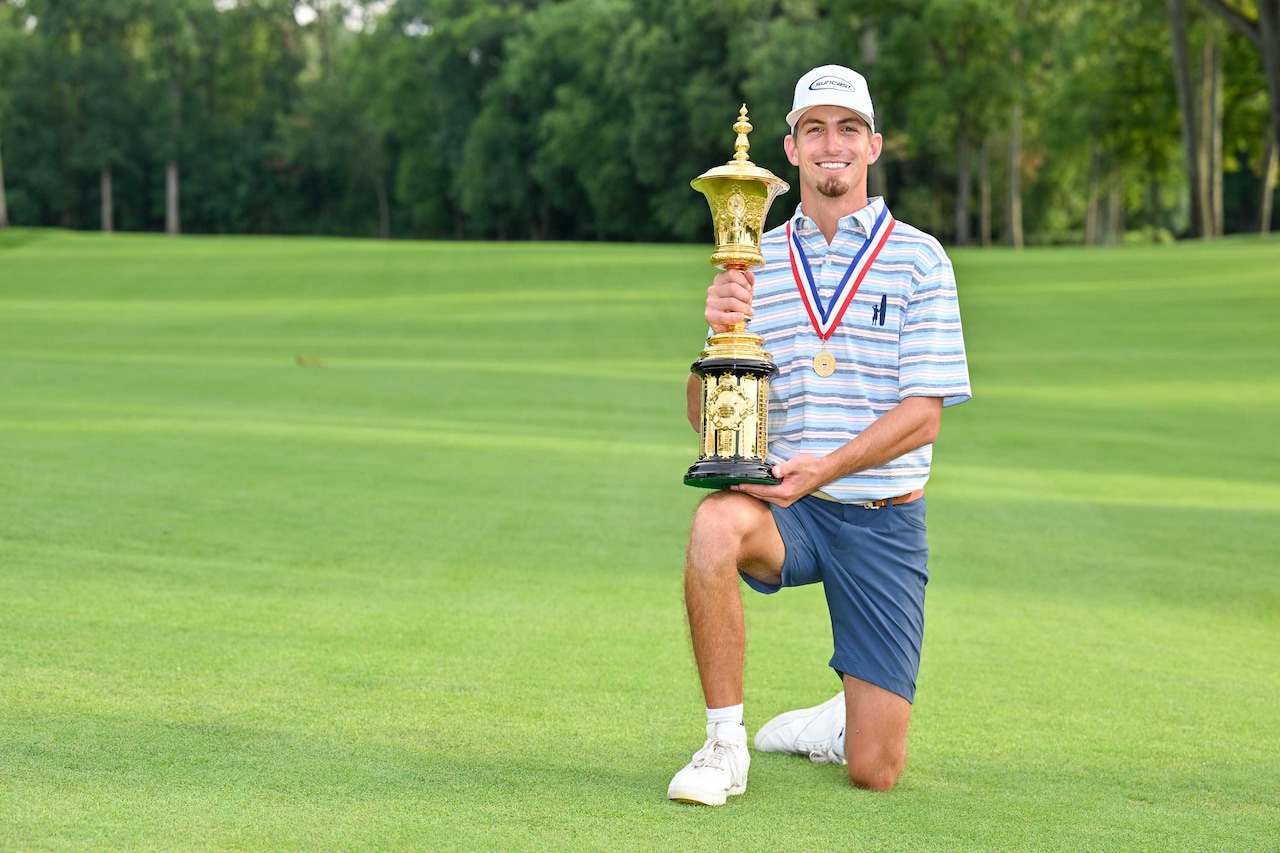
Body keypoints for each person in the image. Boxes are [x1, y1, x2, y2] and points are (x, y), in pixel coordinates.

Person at [666, 64, 971, 806]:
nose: (831, 144)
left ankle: (835, 722)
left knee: (876, 769)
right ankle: (723, 745)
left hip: (881, 517)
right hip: (787, 510)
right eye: (814, 130)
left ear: (872, 147)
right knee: (712, 524)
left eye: (848, 129)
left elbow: (922, 414)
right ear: (791, 150)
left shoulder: (920, 258)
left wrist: (824, 467)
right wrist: (719, 325)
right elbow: (704, 408)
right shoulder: (755, 261)